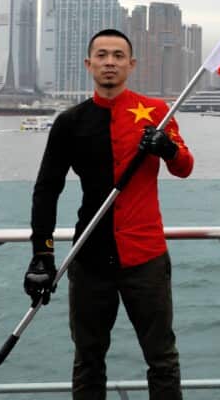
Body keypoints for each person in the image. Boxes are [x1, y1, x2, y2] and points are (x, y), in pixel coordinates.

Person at [24, 29, 194, 400]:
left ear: (132, 65)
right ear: (89, 65)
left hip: (146, 257)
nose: (110, 62)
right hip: (89, 258)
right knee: (88, 359)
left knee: (162, 359)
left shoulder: (157, 113)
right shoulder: (70, 122)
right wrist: (42, 254)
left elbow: (184, 167)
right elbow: (47, 189)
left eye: (118, 56)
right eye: (101, 55)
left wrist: (166, 148)